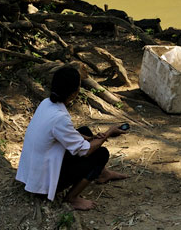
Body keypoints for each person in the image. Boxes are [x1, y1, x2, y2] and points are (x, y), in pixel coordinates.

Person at [16, 66, 129, 210]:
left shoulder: (46, 103)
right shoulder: (60, 118)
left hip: (33, 171)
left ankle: (103, 174)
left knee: (84, 131)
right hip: (42, 183)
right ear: (74, 93)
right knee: (100, 154)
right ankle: (72, 198)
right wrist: (108, 133)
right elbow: (86, 152)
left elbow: (62, 133)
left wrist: (90, 137)